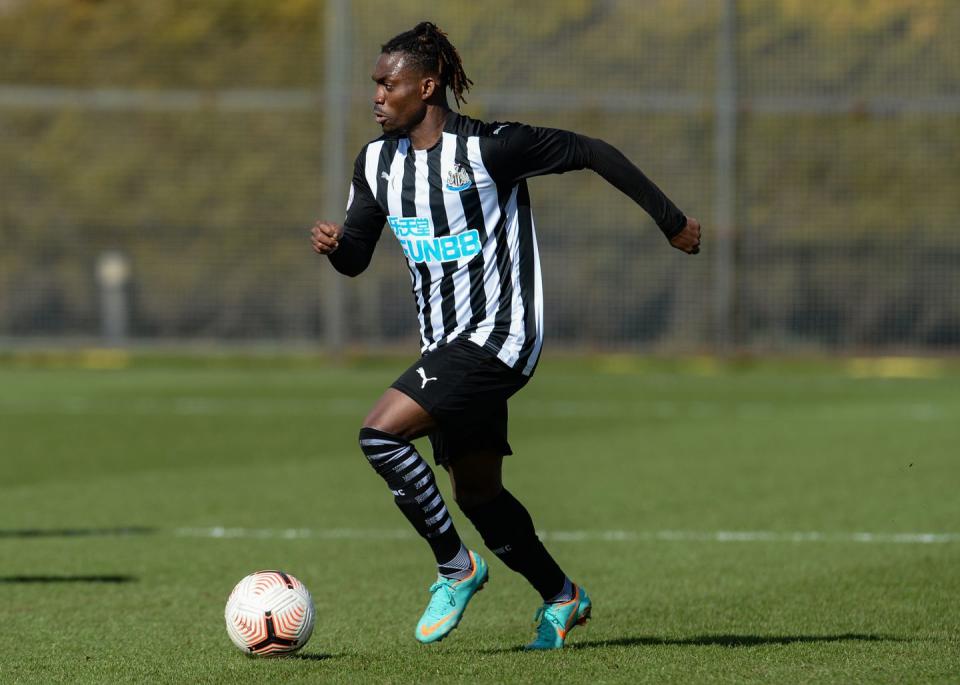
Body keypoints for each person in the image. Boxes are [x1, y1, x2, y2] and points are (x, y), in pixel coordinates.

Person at [310, 21, 701, 650]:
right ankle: (562, 596)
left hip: (501, 336)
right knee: (479, 493)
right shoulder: (376, 163)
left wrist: (672, 221)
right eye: (374, 85)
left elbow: (594, 151)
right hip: (444, 348)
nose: (376, 96)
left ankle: (455, 567)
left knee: (378, 436)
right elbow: (356, 256)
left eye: (388, 84)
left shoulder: (492, 148)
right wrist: (334, 247)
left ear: (427, 86)